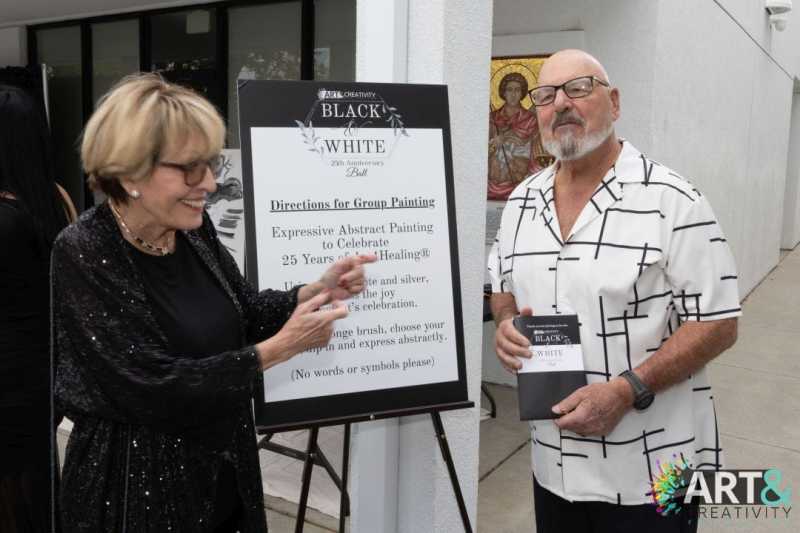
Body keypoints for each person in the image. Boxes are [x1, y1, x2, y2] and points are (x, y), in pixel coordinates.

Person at [52, 73, 375, 532]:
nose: (208, 182)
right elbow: (150, 384)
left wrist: (315, 290)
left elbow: (244, 311)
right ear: (129, 173)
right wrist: (279, 349)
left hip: (223, 469)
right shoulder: (83, 249)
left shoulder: (193, 230)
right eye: (190, 167)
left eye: (211, 163)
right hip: (136, 490)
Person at [488, 49, 740, 532]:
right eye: (546, 95)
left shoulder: (674, 201)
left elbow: (719, 323)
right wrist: (504, 323)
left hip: (652, 471)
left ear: (615, 102)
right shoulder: (521, 202)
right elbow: (500, 283)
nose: (561, 103)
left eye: (579, 88)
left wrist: (628, 390)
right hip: (554, 467)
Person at [0, 85, 71, 532]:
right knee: (37, 489)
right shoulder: (54, 200)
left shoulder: (6, 219)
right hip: (42, 374)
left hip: (9, 381)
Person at [488, 72, 544, 200]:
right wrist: (494, 143)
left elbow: (537, 153)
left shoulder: (530, 120)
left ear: (522, 92)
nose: (513, 94)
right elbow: (479, 153)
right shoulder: (492, 119)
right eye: (509, 90)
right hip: (491, 186)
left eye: (517, 90)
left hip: (520, 185)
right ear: (503, 92)